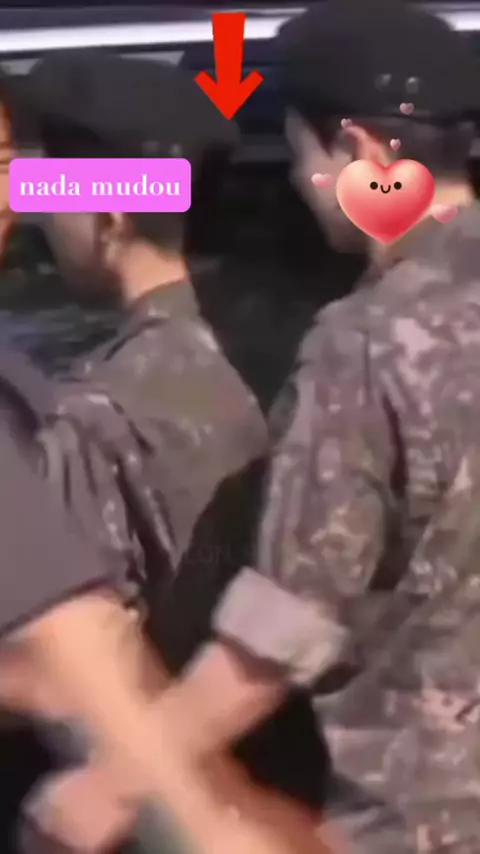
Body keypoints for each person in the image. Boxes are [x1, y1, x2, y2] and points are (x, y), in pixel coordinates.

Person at [144, 2, 480, 852]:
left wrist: (112, 778)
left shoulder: (367, 344)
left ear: (362, 152)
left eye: (299, 154)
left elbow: (280, 634)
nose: (298, 182)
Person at [10, 50, 328, 852]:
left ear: (110, 219)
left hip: (171, 796)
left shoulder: (96, 412)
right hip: (302, 774)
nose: (39, 219)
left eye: (52, 197)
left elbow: (76, 665)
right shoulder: (293, 352)